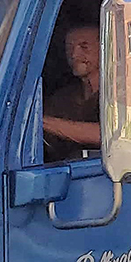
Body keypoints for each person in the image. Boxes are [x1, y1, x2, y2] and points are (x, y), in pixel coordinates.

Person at [43, 20, 101, 162]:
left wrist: (40, 121)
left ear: (104, 48)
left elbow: (112, 136)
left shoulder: (122, 92)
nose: (74, 55)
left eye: (84, 47)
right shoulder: (62, 98)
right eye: (69, 48)